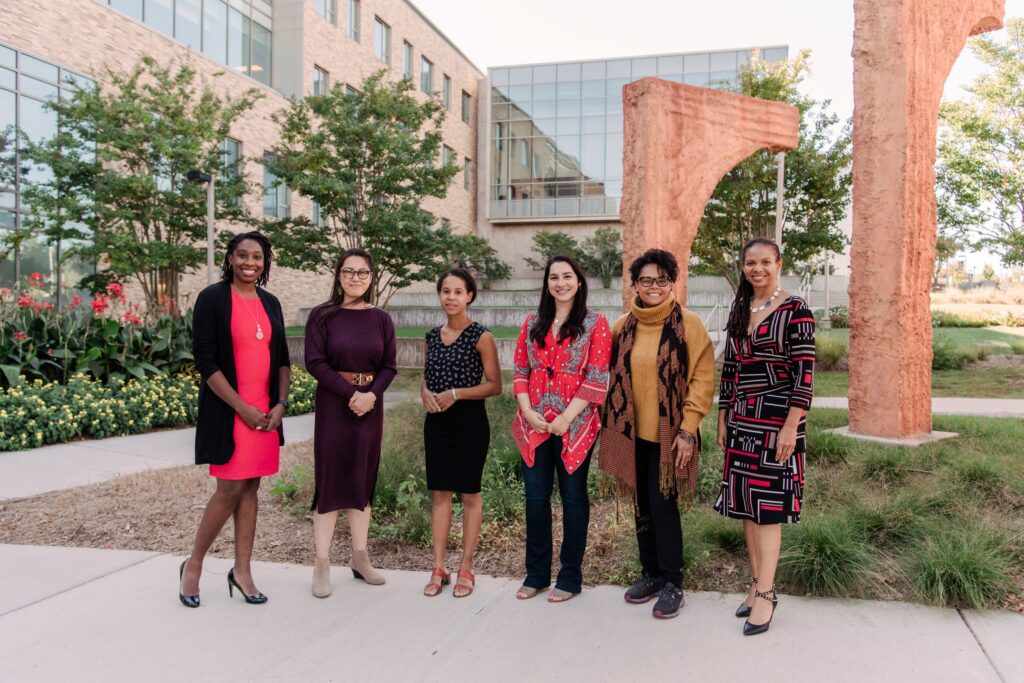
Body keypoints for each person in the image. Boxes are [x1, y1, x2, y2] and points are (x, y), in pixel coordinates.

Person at [600, 249, 715, 619]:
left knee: (663, 508)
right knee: (642, 508)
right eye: (646, 280)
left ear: (672, 283)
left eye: (661, 280)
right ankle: (649, 574)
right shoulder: (622, 327)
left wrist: (689, 428)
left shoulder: (689, 325)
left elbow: (702, 377)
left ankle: (672, 582)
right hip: (629, 434)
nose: (653, 287)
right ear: (634, 284)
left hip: (671, 434)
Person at [180, 231, 291, 608]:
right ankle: (193, 565)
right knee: (228, 489)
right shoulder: (212, 299)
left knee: (251, 490)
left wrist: (280, 404)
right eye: (242, 255)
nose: (249, 262)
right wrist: (242, 408)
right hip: (230, 410)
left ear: (265, 262)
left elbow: (282, 361)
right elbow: (205, 362)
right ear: (229, 258)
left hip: (264, 413)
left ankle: (242, 570)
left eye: (257, 257)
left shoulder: (271, 303)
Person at [715, 237, 815, 636]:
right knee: (746, 507)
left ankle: (769, 595)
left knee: (768, 509)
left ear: (778, 264)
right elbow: (730, 369)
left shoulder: (796, 308)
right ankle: (755, 585)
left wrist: (792, 424)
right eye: (750, 263)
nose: (757, 269)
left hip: (777, 423)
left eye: (765, 262)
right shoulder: (742, 307)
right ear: (743, 267)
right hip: (742, 421)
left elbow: (805, 374)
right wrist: (723, 416)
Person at [511, 255, 611, 603]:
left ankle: (570, 576)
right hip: (534, 423)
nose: (561, 283)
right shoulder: (532, 323)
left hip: (576, 425)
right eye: (554, 277)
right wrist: (527, 410)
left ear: (579, 282)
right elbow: (521, 371)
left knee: (572, 497)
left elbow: (598, 378)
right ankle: (537, 574)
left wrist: (566, 417)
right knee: (536, 499)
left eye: (567, 276)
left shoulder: (595, 324)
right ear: (547, 284)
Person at [304, 248, 397, 598]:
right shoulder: (322, 316)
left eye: (361, 273)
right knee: (330, 480)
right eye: (348, 272)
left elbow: (389, 366)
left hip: (370, 408)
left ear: (371, 278)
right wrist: (350, 394)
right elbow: (315, 362)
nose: (354, 278)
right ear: (338, 275)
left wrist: (370, 395)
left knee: (362, 480)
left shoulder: (381, 320)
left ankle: (360, 558)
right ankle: (322, 563)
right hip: (334, 406)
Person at [420, 268, 502, 598]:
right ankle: (438, 567)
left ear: (469, 296)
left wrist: (455, 393)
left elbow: (495, 385)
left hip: (469, 423)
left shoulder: (481, 336)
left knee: (469, 494)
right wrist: (425, 392)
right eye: (446, 291)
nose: (451, 297)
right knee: (440, 494)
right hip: (436, 423)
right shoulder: (430, 337)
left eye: (458, 291)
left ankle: (466, 566)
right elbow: (428, 377)